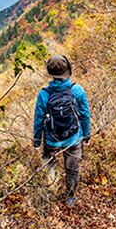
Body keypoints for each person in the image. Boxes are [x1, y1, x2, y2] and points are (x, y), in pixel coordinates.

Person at [33, 54, 90, 207]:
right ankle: (70, 199)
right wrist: (86, 136)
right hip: (73, 139)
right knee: (72, 170)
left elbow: (38, 119)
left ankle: (49, 194)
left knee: (49, 166)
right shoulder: (77, 90)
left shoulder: (44, 94)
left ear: (50, 73)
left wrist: (37, 141)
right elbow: (85, 114)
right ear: (67, 70)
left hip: (51, 140)